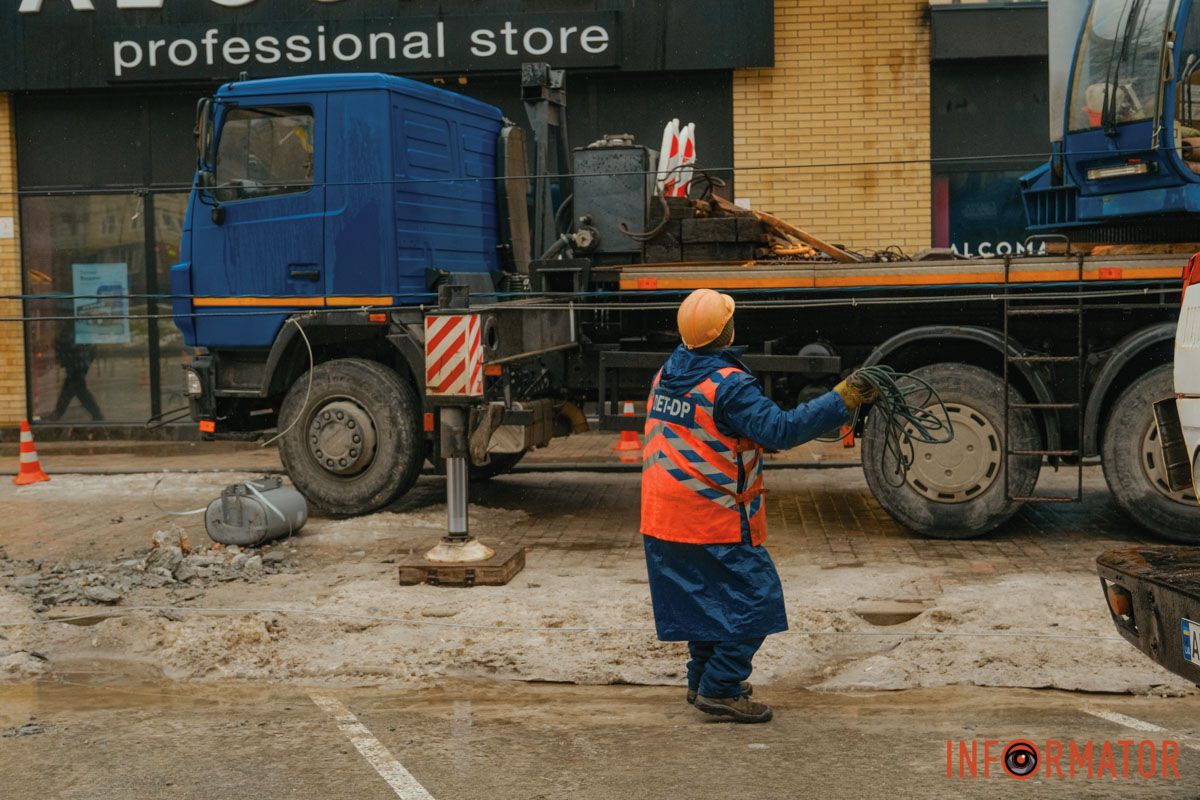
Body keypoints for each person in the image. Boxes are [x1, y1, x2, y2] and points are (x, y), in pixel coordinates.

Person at [641, 288, 877, 723]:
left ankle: (701, 680)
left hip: (663, 517)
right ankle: (720, 687)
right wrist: (843, 398)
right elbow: (779, 431)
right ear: (728, 332)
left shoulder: (668, 372)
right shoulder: (728, 386)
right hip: (710, 517)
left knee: (705, 599)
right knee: (757, 600)